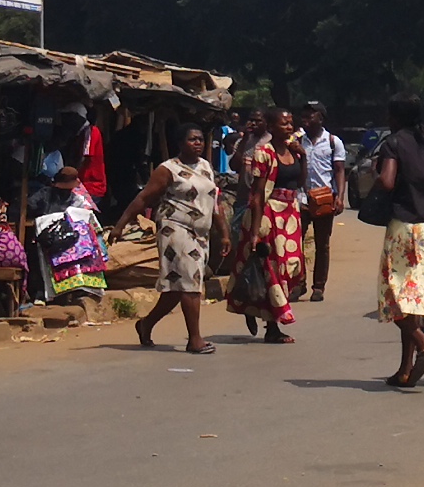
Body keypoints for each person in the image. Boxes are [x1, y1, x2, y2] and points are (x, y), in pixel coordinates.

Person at [116, 121, 224, 355]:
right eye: (192, 139)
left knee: (177, 287)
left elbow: (215, 202)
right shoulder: (168, 169)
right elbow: (144, 198)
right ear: (180, 143)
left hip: (200, 234)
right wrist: (121, 225)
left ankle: (146, 324)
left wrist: (223, 233)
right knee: (190, 282)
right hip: (175, 229)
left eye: (200, 139)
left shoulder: (205, 166)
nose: (198, 143)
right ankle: (194, 340)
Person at [368, 95, 424, 388]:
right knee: (414, 300)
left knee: (392, 295)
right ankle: (405, 370)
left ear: (396, 117)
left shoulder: (394, 144)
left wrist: (375, 176)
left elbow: (388, 182)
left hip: (405, 227)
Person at [238, 105, 309, 341]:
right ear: (271, 127)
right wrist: (256, 231)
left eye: (290, 123)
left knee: (290, 269)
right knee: (272, 271)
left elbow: (299, 182)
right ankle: (273, 326)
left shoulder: (293, 150)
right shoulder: (264, 153)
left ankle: (258, 310)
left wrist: (304, 156)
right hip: (270, 216)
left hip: (290, 215)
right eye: (283, 123)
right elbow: (257, 194)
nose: (289, 127)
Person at [297, 102, 348, 302]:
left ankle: (318, 286)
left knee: (322, 244)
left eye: (310, 116)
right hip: (301, 197)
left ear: (321, 118)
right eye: (304, 116)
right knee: (295, 243)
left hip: (324, 197)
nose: (305, 120)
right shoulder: (298, 140)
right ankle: (298, 283)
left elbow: (339, 170)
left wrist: (340, 197)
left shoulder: (334, 142)